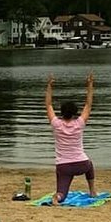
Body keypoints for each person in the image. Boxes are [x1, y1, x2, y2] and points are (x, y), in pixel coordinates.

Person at [44, 72, 97, 205]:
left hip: (63, 166)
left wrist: (49, 86)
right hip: (81, 164)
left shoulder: (56, 124)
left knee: (62, 193)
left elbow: (48, 105)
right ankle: (92, 190)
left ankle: (58, 196)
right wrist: (90, 85)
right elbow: (88, 105)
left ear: (62, 112)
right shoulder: (79, 123)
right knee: (90, 164)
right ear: (74, 113)